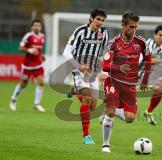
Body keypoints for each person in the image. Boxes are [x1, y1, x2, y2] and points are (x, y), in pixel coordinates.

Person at [101, 12, 152, 153]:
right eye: (131, 27)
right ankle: (105, 145)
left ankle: (107, 111)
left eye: (135, 27)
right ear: (123, 26)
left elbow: (149, 60)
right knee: (111, 113)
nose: (133, 30)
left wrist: (145, 80)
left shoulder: (141, 42)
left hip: (129, 85)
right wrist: (118, 67)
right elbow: (104, 65)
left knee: (130, 119)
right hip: (113, 82)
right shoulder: (114, 43)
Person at [62, 9, 109, 144]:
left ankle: (74, 90)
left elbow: (106, 52)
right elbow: (66, 51)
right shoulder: (80, 31)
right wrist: (78, 65)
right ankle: (86, 136)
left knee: (92, 107)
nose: (100, 22)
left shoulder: (104, 33)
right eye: (98, 19)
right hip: (79, 70)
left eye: (102, 20)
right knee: (87, 99)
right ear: (91, 19)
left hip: (94, 72)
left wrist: (105, 71)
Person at [10, 19, 46, 112]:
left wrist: (41, 56)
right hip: (28, 65)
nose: (37, 27)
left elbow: (39, 50)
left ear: (41, 27)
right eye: (35, 25)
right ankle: (13, 99)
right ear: (32, 27)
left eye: (38, 25)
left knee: (41, 82)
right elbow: (20, 47)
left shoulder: (42, 36)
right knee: (23, 84)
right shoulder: (28, 36)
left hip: (38, 64)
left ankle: (36, 104)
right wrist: (30, 50)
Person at [142, 25, 162, 125]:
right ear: (155, 35)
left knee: (159, 90)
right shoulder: (148, 44)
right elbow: (148, 61)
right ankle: (107, 113)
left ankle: (148, 112)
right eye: (160, 35)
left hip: (148, 71)